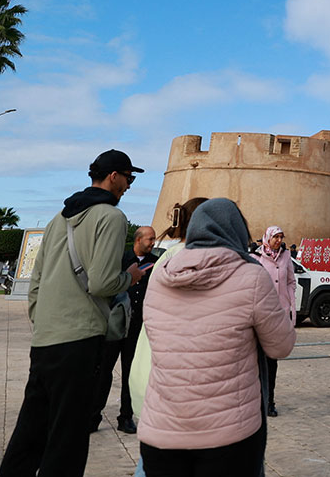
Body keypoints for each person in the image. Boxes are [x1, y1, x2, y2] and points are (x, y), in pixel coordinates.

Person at [0, 150, 145, 477]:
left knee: (31, 429)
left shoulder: (58, 218)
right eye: (129, 178)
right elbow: (103, 282)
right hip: (80, 339)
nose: (129, 186)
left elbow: (35, 282)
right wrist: (130, 277)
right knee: (68, 436)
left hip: (46, 338)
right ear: (113, 177)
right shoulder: (110, 217)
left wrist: (44, 320)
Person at [138, 199, 296, 477]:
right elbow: (281, 346)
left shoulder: (160, 277)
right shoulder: (251, 276)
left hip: (162, 433)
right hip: (229, 436)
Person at [128, 197, 207, 477]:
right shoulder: (199, 260)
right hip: (177, 385)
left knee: (152, 456)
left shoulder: (166, 257)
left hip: (149, 374)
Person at [91, 225, 159, 434]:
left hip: (138, 328)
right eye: (150, 239)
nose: (153, 242)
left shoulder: (155, 264)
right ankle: (92, 415)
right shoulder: (120, 261)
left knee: (131, 372)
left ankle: (126, 416)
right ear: (138, 240)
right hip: (116, 325)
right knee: (103, 372)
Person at [253, 225, 296, 417]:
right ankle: (255, 402)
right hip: (260, 314)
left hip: (279, 315)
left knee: (272, 361)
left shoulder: (286, 256)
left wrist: (289, 299)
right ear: (267, 238)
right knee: (254, 361)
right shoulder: (256, 257)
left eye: (281, 237)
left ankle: (269, 402)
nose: (278, 240)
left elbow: (290, 280)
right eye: (275, 237)